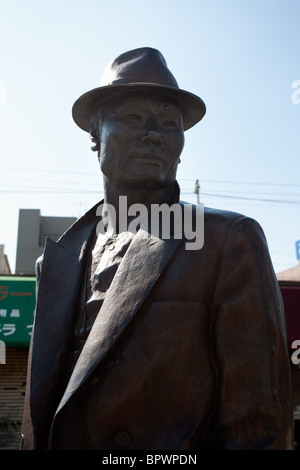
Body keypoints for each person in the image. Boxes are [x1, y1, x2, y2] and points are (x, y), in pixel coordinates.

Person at [21, 47, 293, 450]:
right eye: (134, 118)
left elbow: (258, 426)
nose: (155, 134)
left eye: (170, 123)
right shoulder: (56, 262)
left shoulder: (226, 240)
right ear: (95, 134)